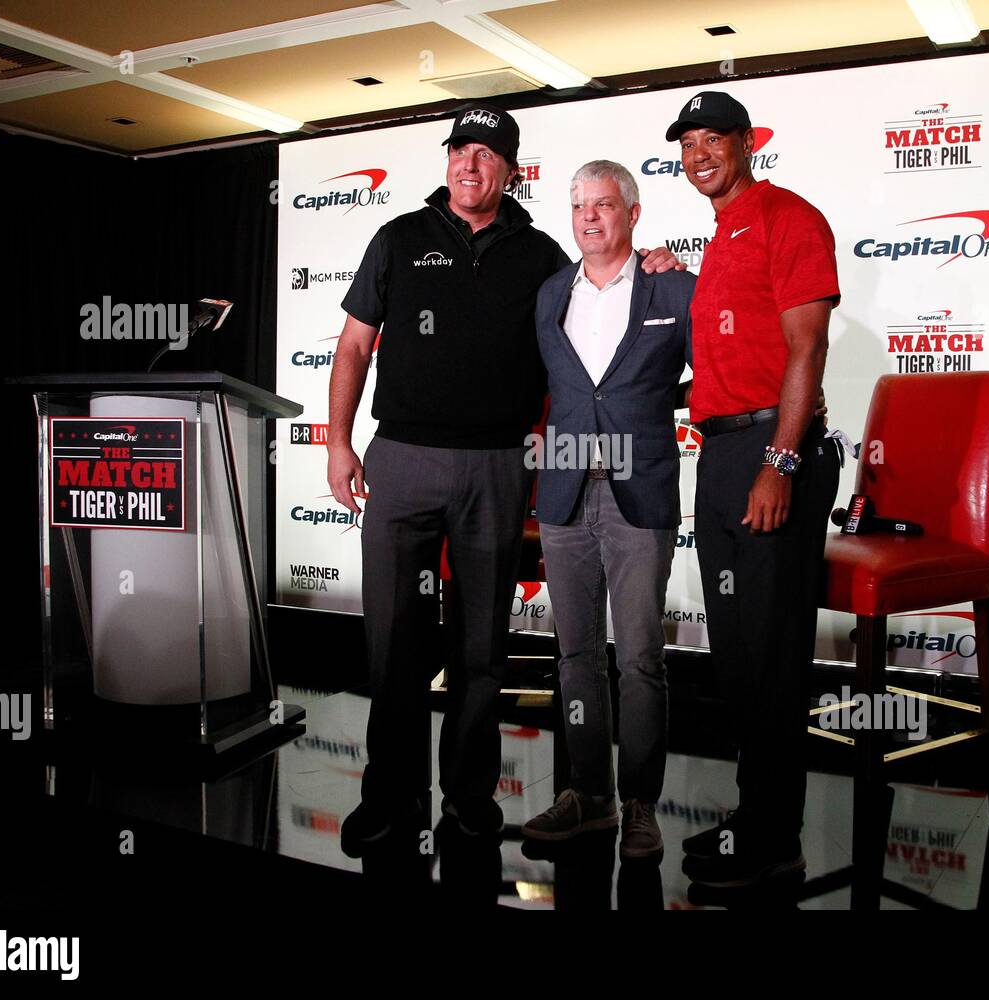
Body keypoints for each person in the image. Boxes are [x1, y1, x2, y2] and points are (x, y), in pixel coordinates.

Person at [327, 104, 681, 847]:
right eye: (459, 150)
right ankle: (387, 795)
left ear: (511, 170)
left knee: (481, 650)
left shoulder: (544, 256)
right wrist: (337, 443)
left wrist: (658, 264)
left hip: (497, 466)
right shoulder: (397, 238)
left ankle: (468, 797)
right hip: (401, 459)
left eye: (486, 154)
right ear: (447, 160)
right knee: (393, 644)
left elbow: (604, 289)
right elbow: (355, 347)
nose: (469, 164)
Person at [665, 91, 843, 886]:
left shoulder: (788, 217)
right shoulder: (723, 235)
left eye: (714, 139)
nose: (699, 152)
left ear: (746, 144)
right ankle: (756, 816)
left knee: (772, 654)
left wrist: (783, 462)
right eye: (688, 141)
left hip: (775, 454)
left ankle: (777, 841)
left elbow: (808, 348)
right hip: (725, 454)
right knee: (738, 657)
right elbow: (736, 350)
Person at [520, 161, 695, 860]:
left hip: (639, 492)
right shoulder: (549, 293)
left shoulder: (675, 287)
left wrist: (652, 405)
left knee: (642, 658)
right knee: (575, 656)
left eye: (603, 205)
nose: (590, 218)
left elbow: (711, 377)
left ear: (632, 211)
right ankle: (588, 795)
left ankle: (640, 804)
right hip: (562, 493)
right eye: (579, 207)